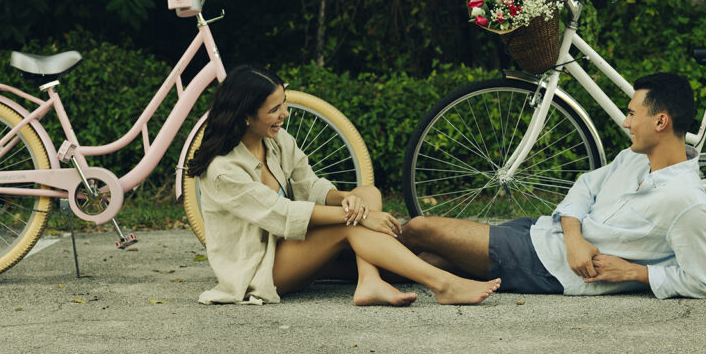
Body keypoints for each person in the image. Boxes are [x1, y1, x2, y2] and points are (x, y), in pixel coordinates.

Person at [188, 65, 500, 306]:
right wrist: (360, 217)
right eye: (274, 109)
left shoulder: (276, 140)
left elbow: (310, 186)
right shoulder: (222, 169)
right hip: (262, 267)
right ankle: (444, 286)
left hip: (296, 247)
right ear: (245, 116)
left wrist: (350, 202)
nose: (284, 114)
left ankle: (369, 278)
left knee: (367, 194)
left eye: (283, 104)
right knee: (351, 227)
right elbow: (281, 212)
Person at [399, 72, 706, 299]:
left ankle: (356, 245)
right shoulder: (634, 157)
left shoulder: (687, 201)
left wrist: (635, 273)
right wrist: (574, 238)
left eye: (631, 114)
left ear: (660, 121)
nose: (625, 122)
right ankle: (356, 260)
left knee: (420, 229)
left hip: (547, 266)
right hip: (543, 233)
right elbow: (584, 187)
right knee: (429, 259)